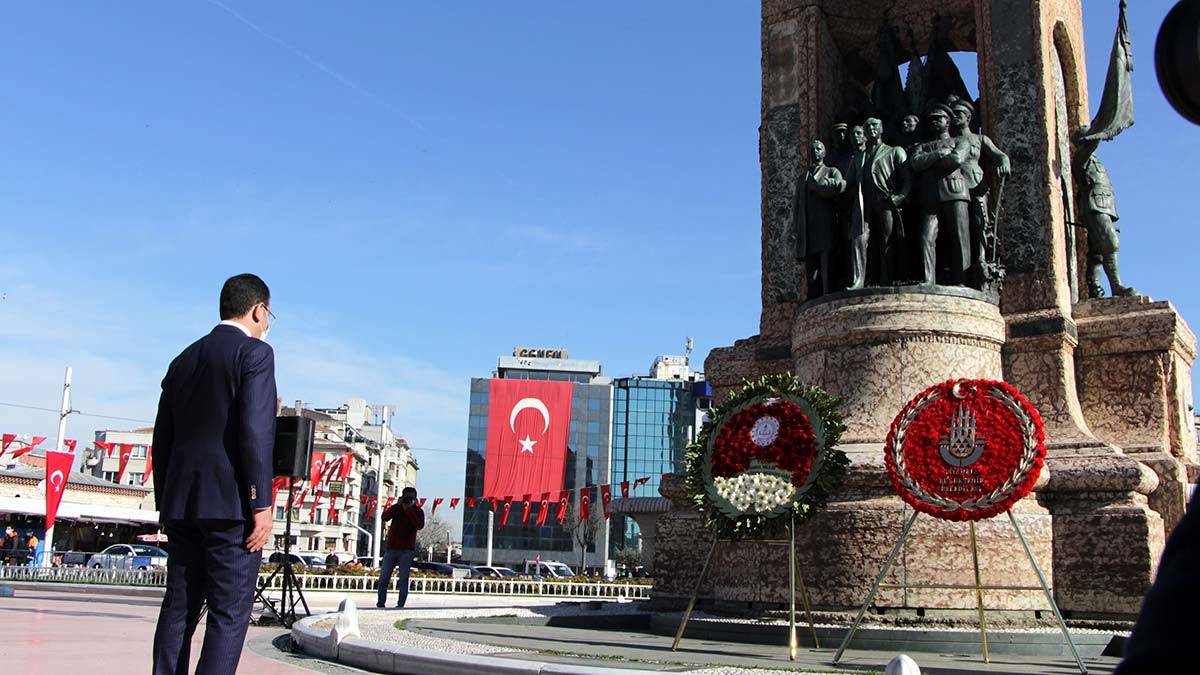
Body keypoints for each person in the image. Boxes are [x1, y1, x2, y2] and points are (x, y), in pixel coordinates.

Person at [151, 274, 277, 675]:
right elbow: (255, 433)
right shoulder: (255, 354)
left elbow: (162, 439)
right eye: (269, 314)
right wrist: (261, 502)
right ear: (258, 309)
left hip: (182, 506)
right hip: (232, 509)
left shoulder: (182, 360)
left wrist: (165, 503)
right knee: (228, 613)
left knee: (178, 610)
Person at [948, 99, 1010, 287]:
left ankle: (981, 258)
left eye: (958, 114)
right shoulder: (949, 140)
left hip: (975, 183)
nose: (955, 118)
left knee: (980, 221)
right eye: (953, 114)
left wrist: (1004, 161)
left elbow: (998, 154)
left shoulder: (979, 139)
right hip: (956, 185)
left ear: (968, 118)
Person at [910, 104, 972, 286]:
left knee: (960, 238)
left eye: (939, 118)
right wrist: (939, 154)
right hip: (930, 197)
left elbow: (956, 160)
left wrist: (931, 161)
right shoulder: (922, 146)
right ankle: (928, 279)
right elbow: (916, 163)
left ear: (948, 121)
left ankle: (962, 280)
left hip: (955, 193)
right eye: (931, 119)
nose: (935, 121)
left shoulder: (961, 142)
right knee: (926, 237)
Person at [862, 117, 911, 285]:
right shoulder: (861, 156)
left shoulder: (895, 151)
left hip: (886, 203)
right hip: (866, 205)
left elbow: (907, 179)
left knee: (887, 240)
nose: (871, 128)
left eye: (874, 125)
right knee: (867, 242)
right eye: (867, 126)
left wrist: (900, 197)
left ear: (882, 128)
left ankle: (887, 278)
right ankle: (870, 277)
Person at [794, 139, 845, 298]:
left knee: (826, 260)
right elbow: (797, 205)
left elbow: (840, 187)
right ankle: (813, 294)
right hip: (809, 226)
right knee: (812, 264)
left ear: (824, 153)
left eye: (818, 149)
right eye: (813, 150)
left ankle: (827, 292)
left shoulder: (831, 171)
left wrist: (819, 186)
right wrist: (797, 227)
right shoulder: (803, 178)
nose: (815, 152)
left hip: (826, 223)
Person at [377, 487, 425, 609]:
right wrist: (396, 505)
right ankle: (380, 603)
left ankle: (400, 605)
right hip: (391, 548)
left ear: (415, 499)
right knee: (383, 578)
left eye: (411, 498)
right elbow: (385, 517)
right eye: (406, 498)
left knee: (403, 579)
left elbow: (419, 525)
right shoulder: (396, 509)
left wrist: (409, 509)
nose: (408, 500)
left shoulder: (418, 511)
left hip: (406, 550)